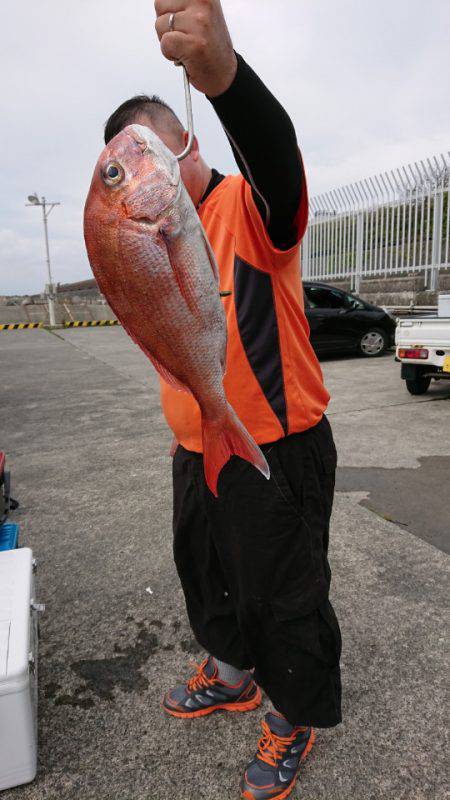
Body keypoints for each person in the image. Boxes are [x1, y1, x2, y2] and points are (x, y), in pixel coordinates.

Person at [104, 1, 342, 797]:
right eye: (117, 167)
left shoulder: (249, 208)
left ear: (187, 144)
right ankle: (233, 674)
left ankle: (291, 717)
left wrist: (225, 77)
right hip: (195, 445)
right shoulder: (142, 235)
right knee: (203, 571)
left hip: (276, 446)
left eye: (142, 153)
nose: (134, 174)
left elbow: (279, 156)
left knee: (287, 595)